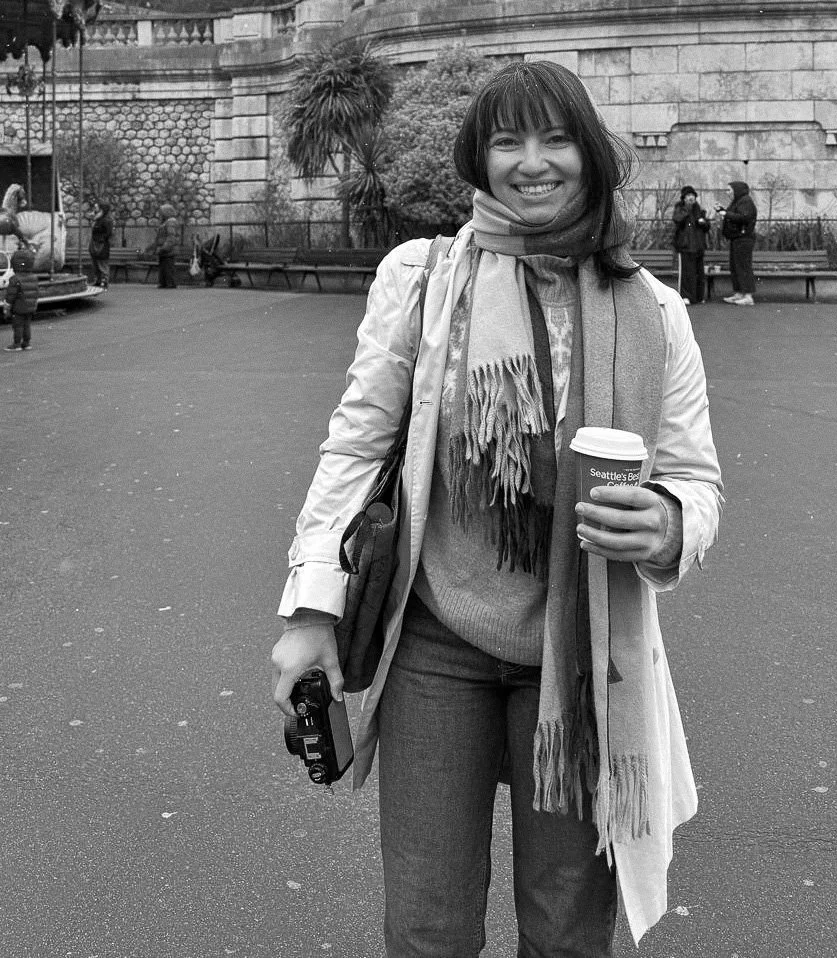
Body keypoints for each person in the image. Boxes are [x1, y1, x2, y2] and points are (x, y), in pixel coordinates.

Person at [271, 59, 724, 955]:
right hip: (437, 639)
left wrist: (668, 522)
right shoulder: (423, 277)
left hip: (580, 650)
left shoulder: (653, 309)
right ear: (477, 158)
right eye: (506, 139)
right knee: (429, 925)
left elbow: (694, 477)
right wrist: (310, 610)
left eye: (555, 137)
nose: (532, 160)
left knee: (565, 928)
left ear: (590, 153)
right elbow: (357, 443)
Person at [718, 180, 757, 305]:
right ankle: (740, 293)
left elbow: (744, 217)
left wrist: (726, 213)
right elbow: (736, 215)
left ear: (737, 190)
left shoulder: (745, 201)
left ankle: (748, 295)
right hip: (737, 238)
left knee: (743, 266)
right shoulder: (739, 201)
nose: (727, 192)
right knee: (735, 266)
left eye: (729, 190)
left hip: (743, 239)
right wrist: (723, 211)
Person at [671, 184, 711, 304]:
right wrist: (687, 210)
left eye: (692, 195)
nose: (691, 198)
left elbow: (707, 227)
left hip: (698, 246)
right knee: (687, 273)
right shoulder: (680, 208)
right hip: (685, 246)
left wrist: (704, 223)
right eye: (688, 196)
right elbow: (677, 219)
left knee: (699, 273)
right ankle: (686, 296)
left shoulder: (699, 209)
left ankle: (699, 296)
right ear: (683, 198)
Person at [4, 248, 40, 350]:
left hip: (18, 307)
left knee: (18, 326)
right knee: (27, 325)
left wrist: (7, 305)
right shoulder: (34, 277)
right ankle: (26, 342)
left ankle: (16, 344)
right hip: (30, 306)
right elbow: (36, 292)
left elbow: (11, 295)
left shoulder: (15, 279)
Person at [88, 201, 114, 289]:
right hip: (95, 243)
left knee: (102, 263)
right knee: (95, 263)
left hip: (101, 244)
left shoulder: (106, 220)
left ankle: (104, 281)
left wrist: (102, 239)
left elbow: (108, 233)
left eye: (97, 207)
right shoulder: (97, 218)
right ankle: (98, 280)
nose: (95, 209)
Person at [154, 204, 180, 288]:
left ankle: (170, 284)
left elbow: (171, 237)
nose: (160, 215)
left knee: (168, 267)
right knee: (164, 267)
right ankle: (164, 283)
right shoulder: (166, 222)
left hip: (169, 250)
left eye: (161, 212)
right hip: (165, 250)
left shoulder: (170, 222)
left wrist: (164, 248)